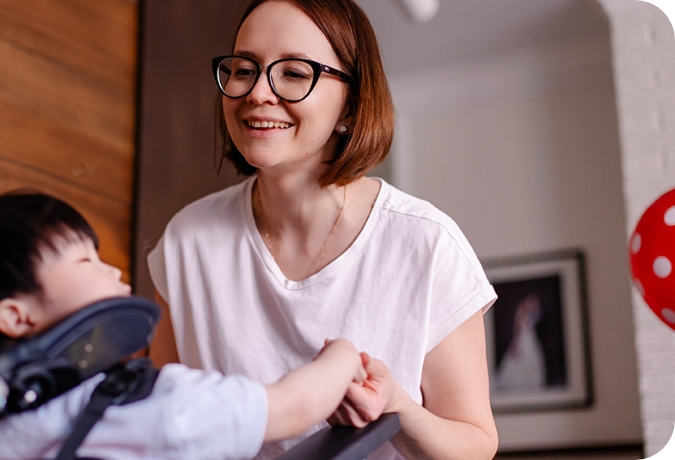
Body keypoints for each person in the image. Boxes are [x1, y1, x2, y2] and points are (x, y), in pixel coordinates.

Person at [146, 0, 500, 458]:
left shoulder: (426, 244)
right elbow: (163, 424)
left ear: (351, 104)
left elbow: (476, 445)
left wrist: (395, 406)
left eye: (293, 73)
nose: (257, 93)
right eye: (244, 69)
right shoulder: (186, 241)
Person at [0, 192, 372, 460]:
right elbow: (291, 407)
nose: (112, 269)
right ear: (18, 315)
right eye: (85, 261)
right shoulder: (147, 402)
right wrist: (344, 353)